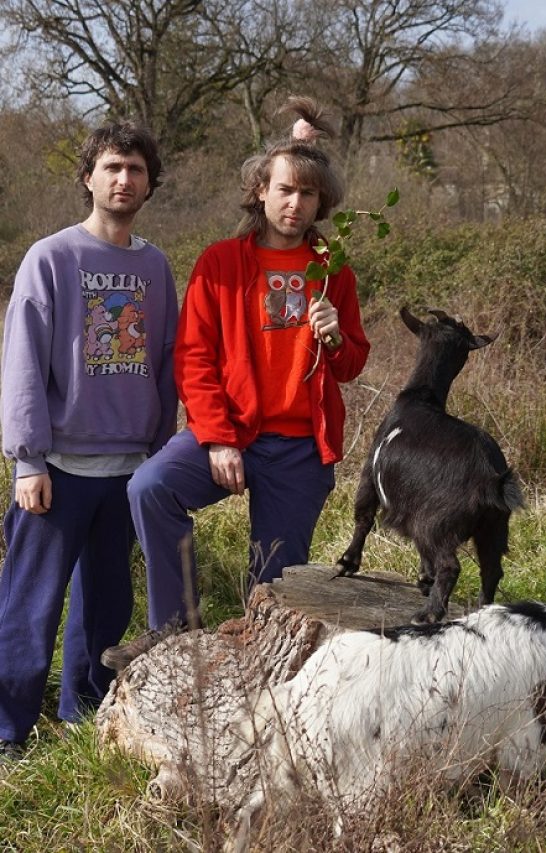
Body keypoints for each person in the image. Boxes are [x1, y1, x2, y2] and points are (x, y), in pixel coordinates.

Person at [106, 96, 370, 659]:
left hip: (301, 448)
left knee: (272, 592)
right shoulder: (221, 263)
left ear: (322, 201)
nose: (294, 204)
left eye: (307, 193)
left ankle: (253, 676)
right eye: (284, 190)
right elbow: (194, 358)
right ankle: (176, 629)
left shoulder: (331, 268)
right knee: (151, 487)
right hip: (232, 431)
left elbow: (350, 365)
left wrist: (335, 336)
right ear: (260, 191)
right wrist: (219, 436)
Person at [0, 122, 178, 761]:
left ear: (149, 182)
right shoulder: (52, 258)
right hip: (57, 468)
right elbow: (21, 361)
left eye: (135, 168)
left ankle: (83, 716)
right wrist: (27, 459)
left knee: (106, 608)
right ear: (88, 177)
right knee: (30, 605)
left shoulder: (155, 267)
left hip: (129, 469)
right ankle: (7, 729)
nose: (123, 179)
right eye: (111, 167)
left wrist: (161, 452)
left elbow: (164, 360)